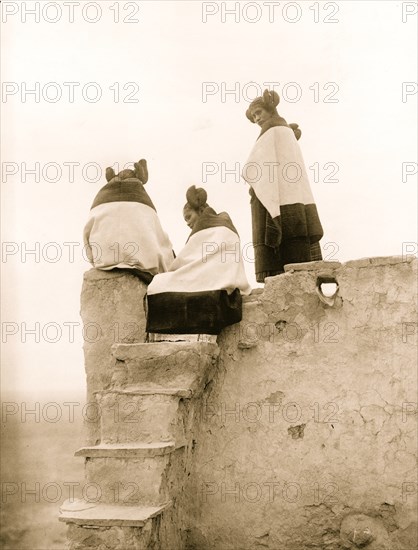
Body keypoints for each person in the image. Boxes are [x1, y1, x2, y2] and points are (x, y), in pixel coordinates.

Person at [242, 89, 324, 283]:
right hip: (296, 200)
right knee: (297, 256)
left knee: (281, 264)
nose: (257, 119)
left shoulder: (271, 131)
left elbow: (252, 167)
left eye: (259, 112)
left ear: (270, 110)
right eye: (254, 116)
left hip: (281, 201)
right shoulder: (286, 132)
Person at [146, 186, 251, 335]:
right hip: (225, 286)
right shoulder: (225, 224)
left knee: (158, 284)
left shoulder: (204, 230)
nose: (187, 223)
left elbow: (184, 263)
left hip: (213, 283)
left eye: (188, 217)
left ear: (200, 211)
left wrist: (170, 272)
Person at [83, 159, 174, 283]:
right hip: (142, 266)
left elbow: (87, 238)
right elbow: (160, 240)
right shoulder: (144, 204)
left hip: (103, 261)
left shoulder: (99, 203)